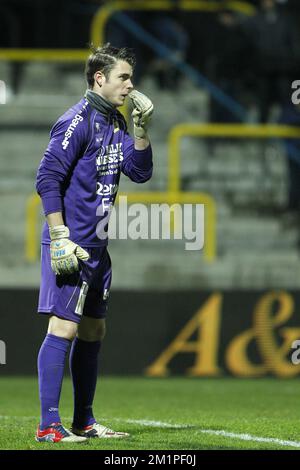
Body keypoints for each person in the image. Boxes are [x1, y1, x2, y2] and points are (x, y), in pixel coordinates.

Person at [35, 43, 154, 443]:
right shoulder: (76, 121)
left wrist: (141, 130)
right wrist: (59, 236)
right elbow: (47, 179)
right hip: (72, 244)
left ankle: (84, 421)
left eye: (131, 78)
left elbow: (139, 173)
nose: (130, 85)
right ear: (99, 78)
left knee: (93, 331)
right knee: (63, 327)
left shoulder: (117, 122)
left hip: (99, 248)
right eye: (124, 77)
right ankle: (49, 426)